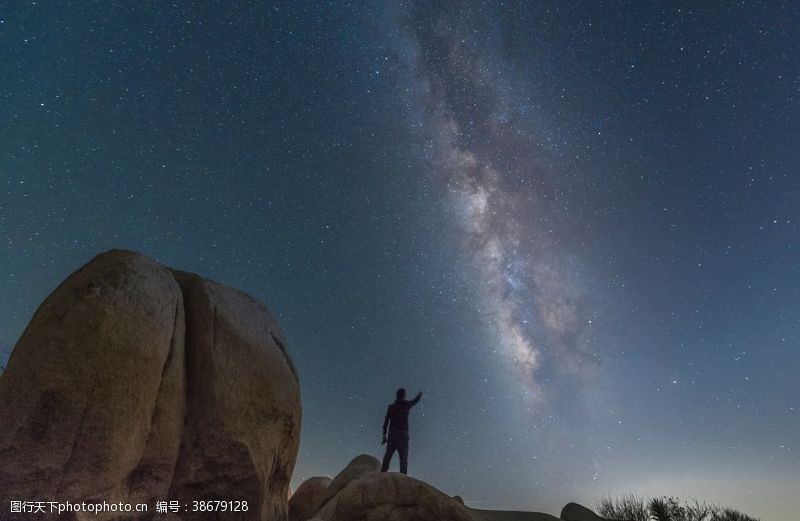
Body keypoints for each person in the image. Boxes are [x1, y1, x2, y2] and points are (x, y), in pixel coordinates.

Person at [380, 387, 422, 474]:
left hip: (392, 434)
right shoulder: (406, 404)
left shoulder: (391, 407)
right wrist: (420, 395)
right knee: (403, 459)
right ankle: (403, 478)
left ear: (396, 396)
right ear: (404, 395)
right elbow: (415, 401)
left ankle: (382, 474)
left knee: (388, 455)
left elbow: (386, 420)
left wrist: (384, 435)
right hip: (403, 434)